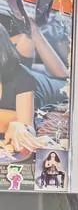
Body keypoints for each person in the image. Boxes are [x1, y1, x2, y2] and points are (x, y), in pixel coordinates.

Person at [0, 23, 48, 153]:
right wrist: (10, 120)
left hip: (47, 90)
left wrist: (19, 125)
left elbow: (26, 128)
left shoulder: (22, 76)